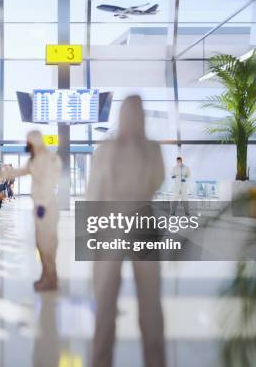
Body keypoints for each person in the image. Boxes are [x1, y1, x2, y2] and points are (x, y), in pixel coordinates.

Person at [86, 95, 165, 367]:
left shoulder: (121, 148)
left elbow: (94, 191)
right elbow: (157, 181)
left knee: (145, 303)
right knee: (110, 301)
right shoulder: (146, 149)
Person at [0, 130, 62, 291]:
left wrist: (43, 204)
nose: (27, 145)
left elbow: (49, 182)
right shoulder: (35, 159)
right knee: (40, 244)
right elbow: (20, 172)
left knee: (48, 245)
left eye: (28, 141)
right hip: (39, 207)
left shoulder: (48, 158)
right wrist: (1, 172)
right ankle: (47, 275)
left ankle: (51, 278)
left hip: (46, 208)